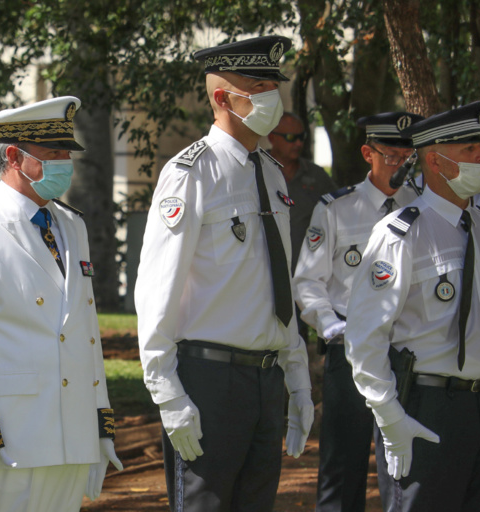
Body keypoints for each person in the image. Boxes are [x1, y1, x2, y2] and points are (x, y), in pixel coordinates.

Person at [135, 35, 315, 512]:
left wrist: (297, 378)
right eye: (258, 87)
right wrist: (167, 392)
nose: (271, 99)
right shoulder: (191, 173)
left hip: (265, 379)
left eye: (273, 87)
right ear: (222, 98)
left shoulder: (273, 174)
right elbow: (156, 289)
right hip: (208, 381)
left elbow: (277, 284)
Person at [0, 96, 122, 512]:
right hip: (13, 438)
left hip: (73, 434)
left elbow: (86, 334)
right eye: (53, 153)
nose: (64, 163)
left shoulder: (72, 225)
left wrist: (99, 426)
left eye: (66, 153)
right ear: (16, 157)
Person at [344, 101, 480, 511]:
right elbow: (365, 335)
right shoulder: (402, 234)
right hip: (428, 407)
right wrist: (389, 416)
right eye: (470, 148)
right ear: (435, 160)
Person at [293, 112, 422, 512]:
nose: (400, 163)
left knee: (403, 462)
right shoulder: (336, 208)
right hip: (348, 348)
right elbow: (307, 280)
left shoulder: (424, 210)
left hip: (406, 351)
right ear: (368, 153)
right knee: (343, 460)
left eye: (407, 155)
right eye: (390, 154)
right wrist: (330, 325)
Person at [268, 112, 337, 269]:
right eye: (291, 138)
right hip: (266, 272)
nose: (298, 143)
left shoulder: (316, 176)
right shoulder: (256, 172)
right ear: (272, 138)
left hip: (307, 273)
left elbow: (339, 213)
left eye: (302, 137)